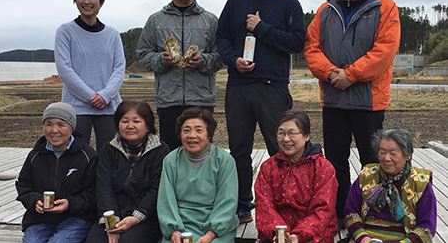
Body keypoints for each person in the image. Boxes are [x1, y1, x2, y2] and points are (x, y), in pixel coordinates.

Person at [304, 0, 401, 224]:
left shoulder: (385, 7)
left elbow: (384, 52)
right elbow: (312, 49)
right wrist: (332, 74)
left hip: (369, 102)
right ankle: (340, 214)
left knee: (373, 162)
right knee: (335, 162)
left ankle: (373, 215)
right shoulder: (325, 11)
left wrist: (351, 75)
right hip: (333, 101)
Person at [215, 0, 306, 222]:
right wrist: (234, 61)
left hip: (273, 87)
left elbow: (296, 42)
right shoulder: (235, 1)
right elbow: (221, 39)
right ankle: (243, 204)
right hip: (239, 87)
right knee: (238, 149)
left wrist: (262, 28)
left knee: (280, 148)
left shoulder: (288, 3)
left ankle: (285, 203)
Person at [137, 0, 223, 151]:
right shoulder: (156, 20)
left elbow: (221, 56)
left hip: (201, 100)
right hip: (169, 101)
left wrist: (203, 61)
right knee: (171, 154)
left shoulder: (210, 20)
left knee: (203, 153)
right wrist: (160, 60)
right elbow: (142, 55)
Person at [55, 0, 126, 152]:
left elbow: (119, 69)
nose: (87, 2)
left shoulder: (112, 34)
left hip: (109, 106)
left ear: (101, 2)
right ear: (75, 0)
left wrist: (105, 95)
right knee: (75, 156)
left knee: (110, 156)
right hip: (76, 107)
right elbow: (65, 69)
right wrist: (91, 97)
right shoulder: (65, 31)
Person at [86, 100, 170, 243]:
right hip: (112, 213)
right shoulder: (108, 149)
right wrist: (112, 222)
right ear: (118, 125)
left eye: (136, 121)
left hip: (145, 216)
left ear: (148, 126)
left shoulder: (160, 150)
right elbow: (103, 185)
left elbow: (156, 188)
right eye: (124, 121)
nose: (130, 126)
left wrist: (135, 218)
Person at [16, 102, 98, 243]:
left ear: (71, 127)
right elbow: (23, 186)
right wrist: (35, 201)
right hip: (39, 219)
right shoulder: (35, 155)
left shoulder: (88, 155)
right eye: (49, 124)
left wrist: (69, 204)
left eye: (61, 124)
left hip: (77, 218)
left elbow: (94, 193)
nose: (54, 130)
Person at [157, 107, 238, 243]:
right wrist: (174, 230)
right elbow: (166, 200)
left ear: (209, 135)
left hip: (216, 226)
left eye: (199, 130)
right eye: (186, 130)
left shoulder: (224, 160)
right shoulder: (171, 160)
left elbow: (227, 201)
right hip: (181, 222)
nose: (192, 135)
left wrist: (210, 234)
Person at [254, 110, 338, 242]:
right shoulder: (268, 167)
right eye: (281, 133)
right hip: (276, 235)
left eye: (292, 133)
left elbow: (323, 209)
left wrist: (299, 235)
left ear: (306, 136)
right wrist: (281, 234)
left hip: (313, 234)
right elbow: (264, 205)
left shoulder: (323, 168)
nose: (286, 139)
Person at [344, 128, 437, 242]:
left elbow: (427, 226)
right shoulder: (367, 175)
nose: (386, 158)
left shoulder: (420, 182)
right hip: (367, 237)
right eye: (382, 152)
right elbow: (350, 211)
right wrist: (362, 236)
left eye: (393, 153)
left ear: (408, 155)